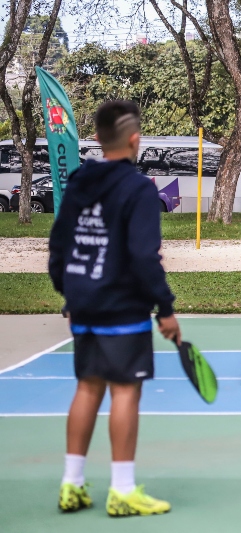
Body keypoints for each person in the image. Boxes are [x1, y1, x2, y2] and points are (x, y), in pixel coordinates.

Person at [49, 100, 179, 517]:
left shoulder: (77, 182)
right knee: (125, 391)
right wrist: (165, 309)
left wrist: (69, 294)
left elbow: (58, 246)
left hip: (84, 305)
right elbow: (144, 256)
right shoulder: (139, 188)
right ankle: (122, 489)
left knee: (88, 387)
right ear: (134, 140)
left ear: (99, 139)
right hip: (122, 307)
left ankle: (72, 484)